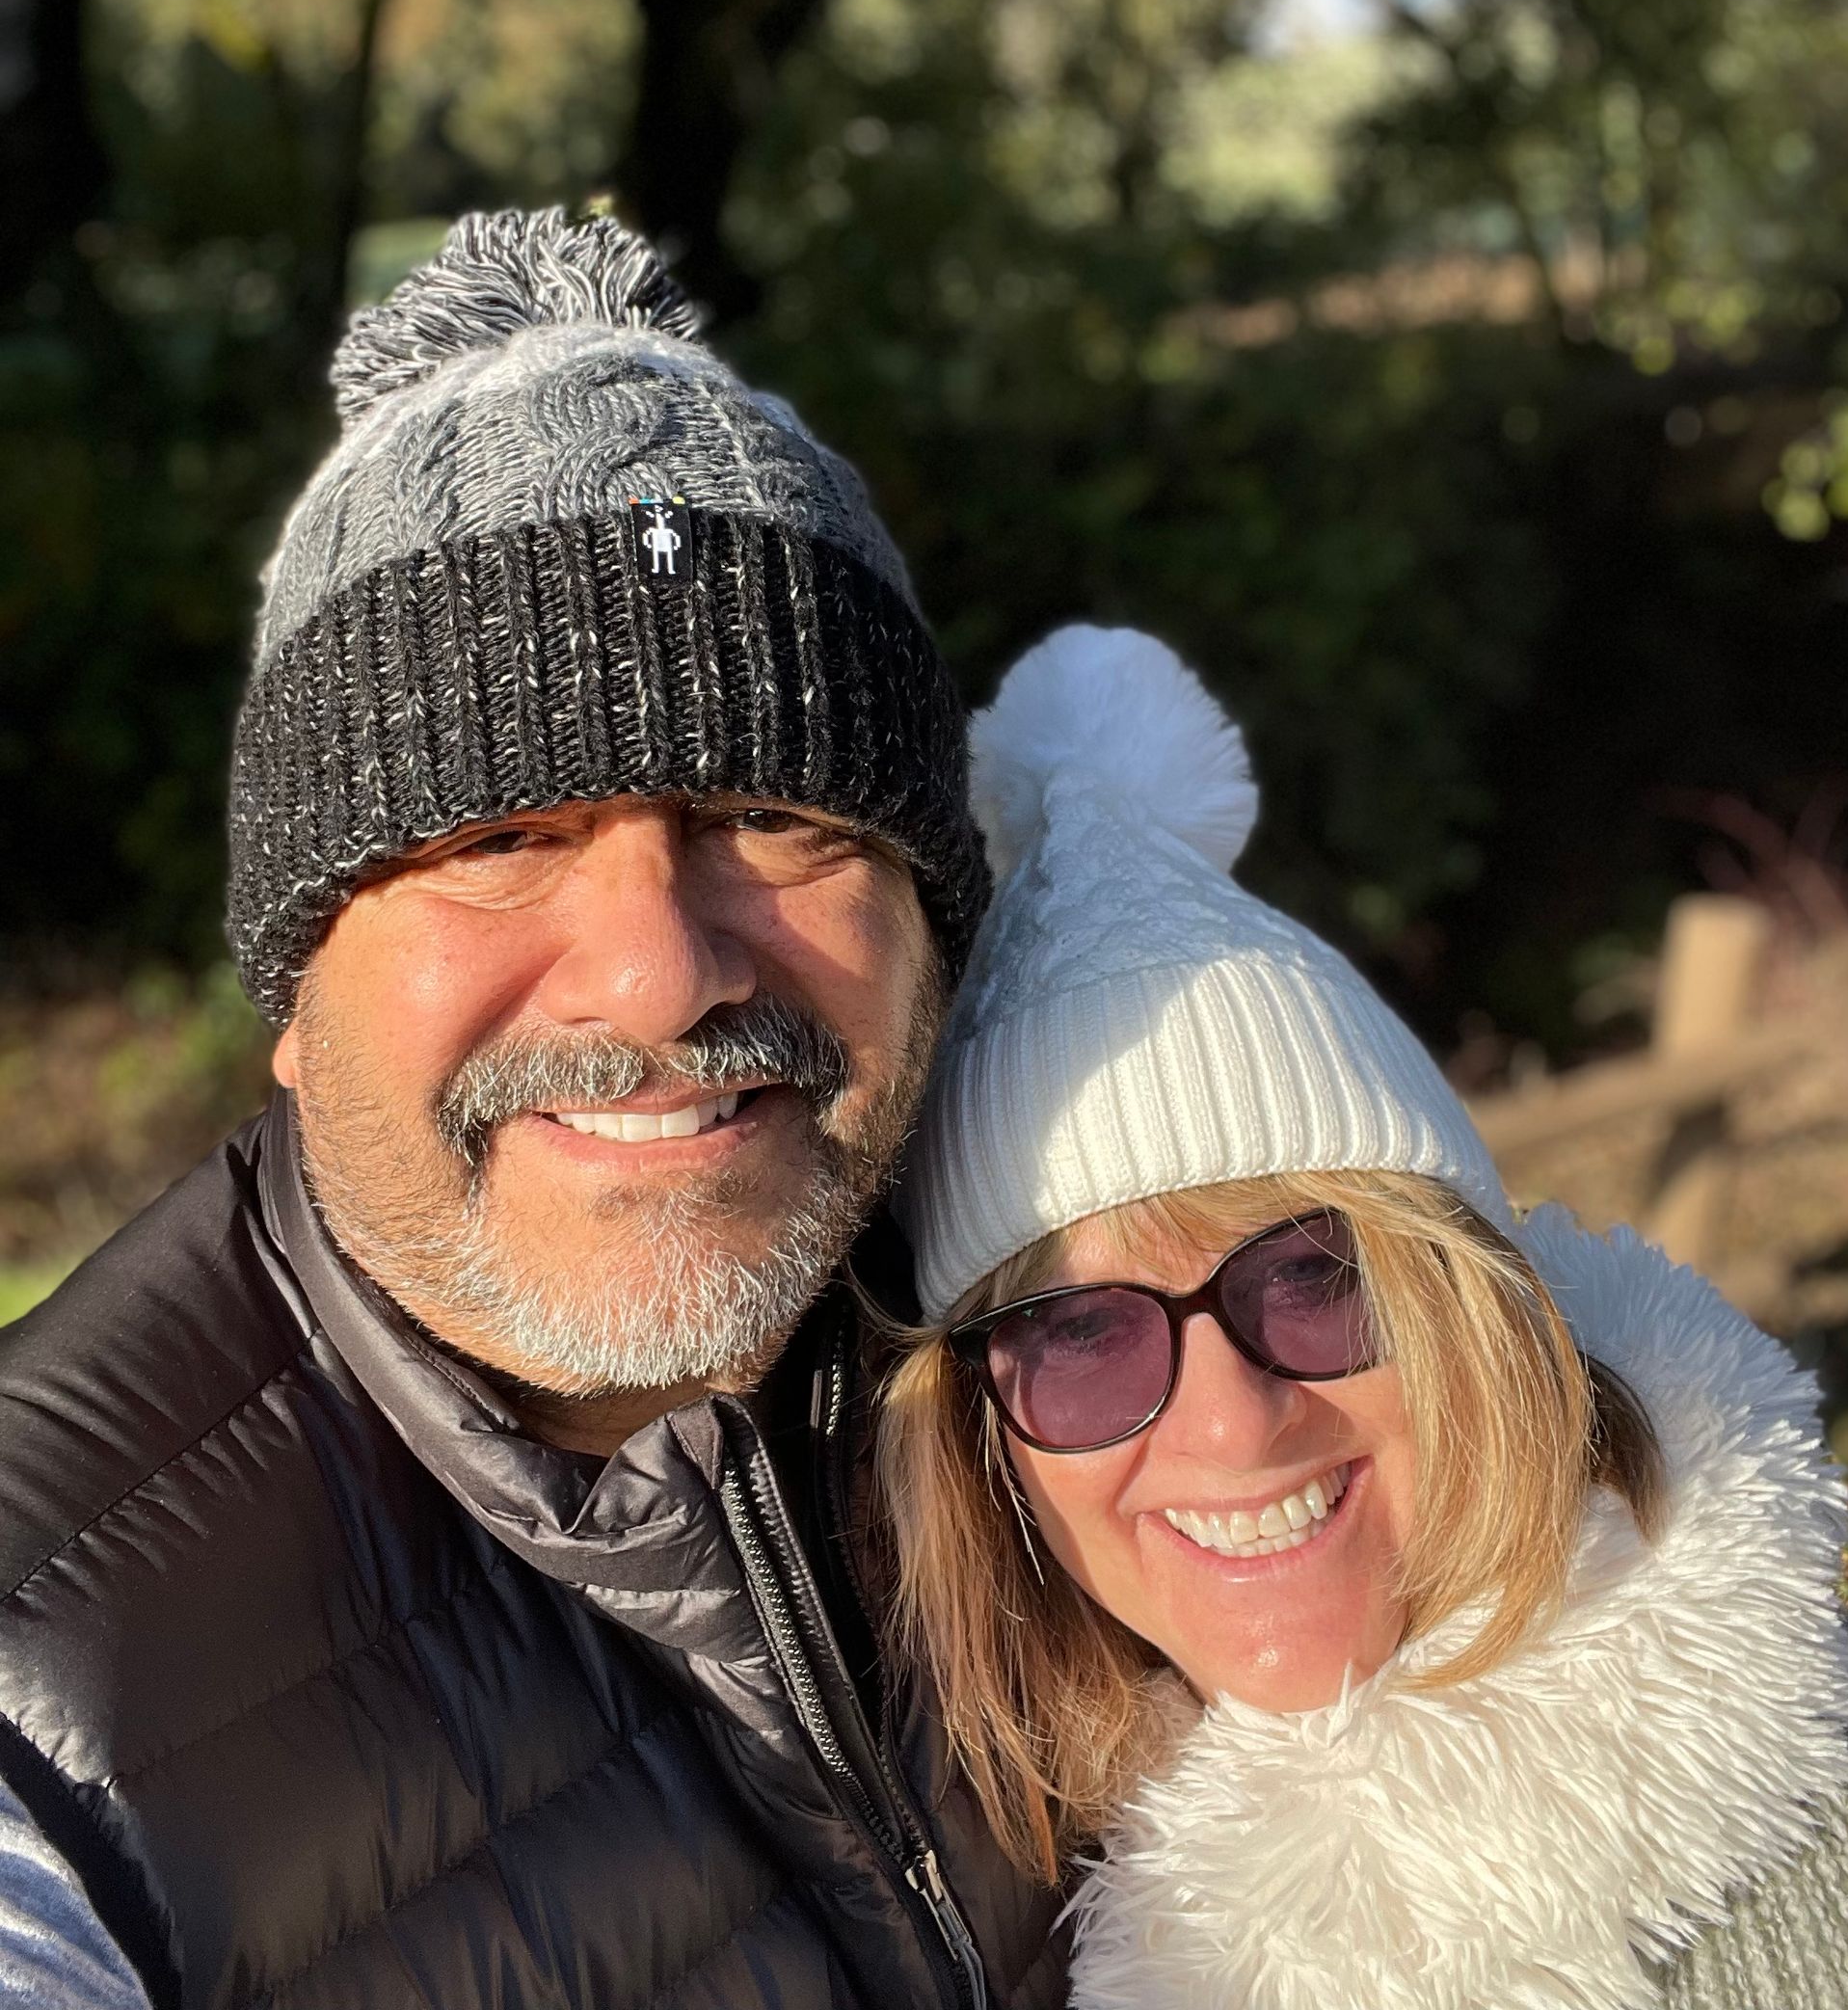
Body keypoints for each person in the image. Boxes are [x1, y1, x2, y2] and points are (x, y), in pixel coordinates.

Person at [0, 210, 1066, 2010]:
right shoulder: (51, 1739)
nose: (661, 974)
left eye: (773, 817)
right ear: (294, 978)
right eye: (498, 844)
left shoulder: (1129, 1350)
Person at [879, 625, 1848, 2010]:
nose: (1232, 1419)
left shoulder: (1805, 1864)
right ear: (983, 1451)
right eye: (1081, 1337)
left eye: (1311, 1279)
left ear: (1475, 1306)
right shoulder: (1030, 1908)